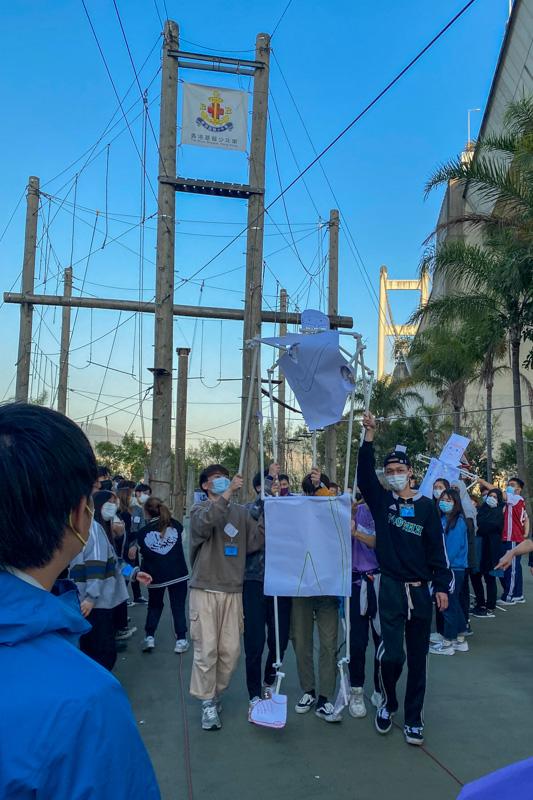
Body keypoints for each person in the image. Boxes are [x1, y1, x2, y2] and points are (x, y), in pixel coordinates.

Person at [0, 402, 160, 800]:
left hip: (83, 606)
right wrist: (88, 598)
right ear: (78, 513)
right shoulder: (85, 702)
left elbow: (110, 561)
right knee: (102, 653)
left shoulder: (102, 533)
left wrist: (130, 574)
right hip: (90, 606)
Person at [357, 412, 452, 747]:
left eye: (400, 469)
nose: (395, 474)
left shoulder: (427, 508)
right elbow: (364, 476)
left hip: (421, 592)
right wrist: (369, 436)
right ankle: (387, 702)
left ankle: (413, 719)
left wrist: (442, 586)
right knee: (392, 655)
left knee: (418, 660)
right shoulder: (383, 502)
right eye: (390, 471)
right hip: (391, 589)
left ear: (411, 472)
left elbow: (437, 550)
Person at [189, 464, 265, 731]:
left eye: (224, 477)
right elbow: (204, 524)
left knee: (230, 652)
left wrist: (267, 514)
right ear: (205, 485)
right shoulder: (199, 510)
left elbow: (255, 542)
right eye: (216, 478)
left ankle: (215, 692)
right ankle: (207, 702)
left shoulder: (240, 512)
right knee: (206, 649)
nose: (222, 480)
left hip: (233, 590)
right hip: (205, 589)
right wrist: (228, 493)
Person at [291, 467, 341, 723]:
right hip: (301, 587)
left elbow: (334, 508)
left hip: (328, 586)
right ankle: (308, 691)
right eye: (309, 492)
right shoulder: (295, 513)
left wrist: (320, 486)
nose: (314, 497)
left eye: (318, 491)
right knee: (301, 641)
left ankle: (325, 696)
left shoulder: (334, 511)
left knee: (329, 643)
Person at [243, 469, 292, 709]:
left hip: (281, 583)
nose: (276, 487)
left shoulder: (288, 510)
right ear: (258, 488)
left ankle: (269, 681)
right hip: (254, 582)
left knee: (279, 640)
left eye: (279, 484)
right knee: (255, 641)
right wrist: (266, 500)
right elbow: (252, 522)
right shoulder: (247, 511)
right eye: (270, 484)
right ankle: (253, 692)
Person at [129, 497, 189, 654]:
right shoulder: (176, 525)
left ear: (146, 512)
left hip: (154, 575)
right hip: (178, 573)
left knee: (154, 606)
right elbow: (182, 541)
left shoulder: (142, 533)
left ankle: (149, 637)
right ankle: (181, 640)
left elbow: (141, 550)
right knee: (178, 606)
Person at [348, 499, 382, 719]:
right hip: (356, 583)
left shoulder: (386, 511)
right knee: (357, 642)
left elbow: (380, 542)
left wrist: (357, 533)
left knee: (381, 640)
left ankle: (380, 689)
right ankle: (356, 691)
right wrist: (348, 516)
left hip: (380, 581)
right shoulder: (353, 510)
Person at [429, 489, 469, 656]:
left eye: (449, 500)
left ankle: (448, 642)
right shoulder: (444, 519)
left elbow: (450, 551)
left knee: (448, 605)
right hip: (450, 568)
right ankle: (460, 638)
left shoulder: (458, 522)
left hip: (452, 569)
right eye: (443, 499)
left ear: (456, 503)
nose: (444, 502)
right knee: (453, 603)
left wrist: (439, 566)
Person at [479, 476, 529, 604]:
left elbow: (499, 493)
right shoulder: (517, 502)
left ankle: (509, 596)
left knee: (511, 569)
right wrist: (525, 532)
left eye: (512, 485)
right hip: (514, 537)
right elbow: (526, 518)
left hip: (512, 537)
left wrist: (482, 482)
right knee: (516, 568)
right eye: (508, 484)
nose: (508, 487)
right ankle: (518, 594)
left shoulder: (516, 498)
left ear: (519, 489)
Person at [470, 489, 504, 618]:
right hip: (480, 547)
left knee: (490, 577)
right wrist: (483, 526)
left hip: (492, 549)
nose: (491, 498)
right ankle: (480, 603)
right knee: (475, 575)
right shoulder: (482, 509)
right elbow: (479, 524)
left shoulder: (499, 512)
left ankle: (490, 605)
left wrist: (482, 526)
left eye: (495, 497)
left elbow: (490, 526)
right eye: (490, 496)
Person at [117, 485, 146, 606]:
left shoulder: (135, 510)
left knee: (132, 569)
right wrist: (130, 546)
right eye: (131, 496)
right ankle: (122, 599)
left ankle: (135, 596)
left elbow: (136, 530)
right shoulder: (118, 513)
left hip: (132, 546)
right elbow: (125, 533)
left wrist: (134, 545)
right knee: (125, 571)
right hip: (122, 548)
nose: (134, 498)